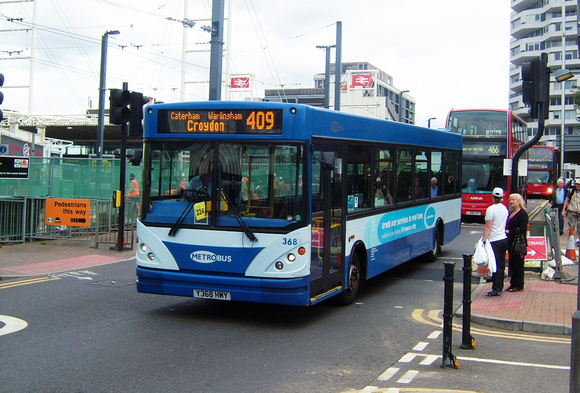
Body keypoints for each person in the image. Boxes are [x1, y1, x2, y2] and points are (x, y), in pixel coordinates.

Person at [482, 187, 509, 297]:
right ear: (502, 197)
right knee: (501, 264)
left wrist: (484, 240)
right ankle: (499, 286)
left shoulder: (490, 209)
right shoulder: (504, 209)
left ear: (493, 197)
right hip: (503, 239)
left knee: (494, 265)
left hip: (494, 240)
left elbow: (488, 226)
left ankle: (496, 289)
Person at [506, 193, 528, 292]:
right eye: (510, 200)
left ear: (519, 201)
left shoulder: (523, 214)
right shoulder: (511, 212)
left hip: (518, 242)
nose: (511, 202)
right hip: (511, 241)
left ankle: (519, 285)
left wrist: (510, 231)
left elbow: (522, 229)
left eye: (513, 200)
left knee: (518, 263)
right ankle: (512, 283)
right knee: (512, 263)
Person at [562, 179, 580, 246]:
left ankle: (578, 240)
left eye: (579, 185)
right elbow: (566, 200)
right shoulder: (571, 191)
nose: (578, 186)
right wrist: (563, 210)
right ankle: (571, 240)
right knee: (571, 226)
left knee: (579, 227)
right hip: (572, 211)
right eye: (577, 184)